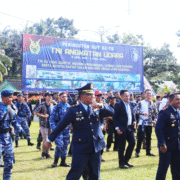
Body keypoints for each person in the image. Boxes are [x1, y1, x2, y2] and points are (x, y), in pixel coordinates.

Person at [44, 83, 114, 180]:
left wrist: (101, 106)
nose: (93, 97)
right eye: (90, 95)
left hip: (96, 147)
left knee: (95, 174)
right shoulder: (73, 110)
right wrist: (49, 139)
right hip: (81, 148)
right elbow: (61, 125)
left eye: (93, 94)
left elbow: (113, 112)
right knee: (75, 173)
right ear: (82, 96)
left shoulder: (97, 107)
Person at [155, 92, 180, 180]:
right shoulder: (165, 112)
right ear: (170, 100)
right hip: (166, 146)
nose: (179, 101)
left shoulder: (178, 111)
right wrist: (162, 143)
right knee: (163, 168)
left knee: (177, 169)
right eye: (177, 99)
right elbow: (158, 129)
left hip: (176, 145)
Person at [0, 90, 21, 180]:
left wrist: (21, 130)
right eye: (9, 97)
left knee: (9, 163)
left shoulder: (10, 108)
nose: (11, 99)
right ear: (3, 98)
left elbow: (14, 121)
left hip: (7, 138)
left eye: (11, 97)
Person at [113, 90, 136, 169]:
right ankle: (121, 163)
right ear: (121, 96)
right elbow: (115, 118)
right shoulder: (118, 105)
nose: (127, 97)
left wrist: (134, 121)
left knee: (132, 143)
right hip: (122, 128)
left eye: (128, 95)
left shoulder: (130, 104)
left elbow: (132, 114)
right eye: (126, 96)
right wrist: (117, 128)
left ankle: (126, 160)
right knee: (122, 146)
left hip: (130, 127)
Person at [134, 89, 158, 157]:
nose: (149, 95)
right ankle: (137, 151)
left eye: (150, 94)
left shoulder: (153, 104)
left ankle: (148, 151)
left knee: (148, 137)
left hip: (149, 123)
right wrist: (142, 113)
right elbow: (135, 110)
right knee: (140, 137)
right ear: (145, 94)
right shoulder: (141, 102)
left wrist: (155, 120)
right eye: (147, 93)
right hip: (142, 123)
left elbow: (156, 114)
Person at [50, 92, 71, 167]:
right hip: (58, 129)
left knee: (65, 145)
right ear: (59, 98)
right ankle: (55, 161)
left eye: (65, 97)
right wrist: (54, 129)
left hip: (66, 129)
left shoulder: (69, 107)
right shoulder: (56, 107)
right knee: (59, 145)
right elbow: (51, 119)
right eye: (63, 97)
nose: (65, 98)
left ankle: (63, 161)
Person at [34, 91, 54, 159]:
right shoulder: (42, 105)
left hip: (50, 125)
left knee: (49, 140)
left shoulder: (52, 105)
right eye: (48, 95)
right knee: (45, 140)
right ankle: (43, 153)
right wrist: (43, 115)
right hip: (44, 125)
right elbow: (35, 112)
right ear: (45, 97)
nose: (50, 96)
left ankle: (47, 153)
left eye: (51, 95)